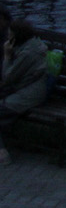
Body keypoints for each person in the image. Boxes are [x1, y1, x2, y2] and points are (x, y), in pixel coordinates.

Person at [0, 18, 50, 164]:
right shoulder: (29, 46)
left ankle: (2, 154)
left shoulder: (27, 53)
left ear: (16, 36)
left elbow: (7, 76)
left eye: (9, 35)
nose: (7, 37)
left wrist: (7, 56)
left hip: (28, 95)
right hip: (21, 90)